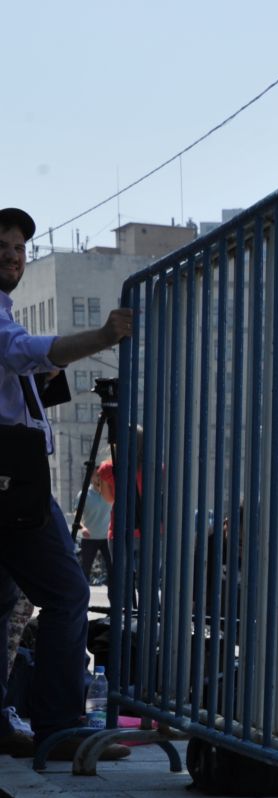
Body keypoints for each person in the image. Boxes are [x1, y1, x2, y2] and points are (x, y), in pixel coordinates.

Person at [0, 206, 131, 761]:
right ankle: (59, 725)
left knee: (5, 601)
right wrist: (101, 334)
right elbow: (20, 352)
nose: (12, 256)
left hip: (18, 475)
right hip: (12, 481)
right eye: (2, 246)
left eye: (18, 248)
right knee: (69, 591)